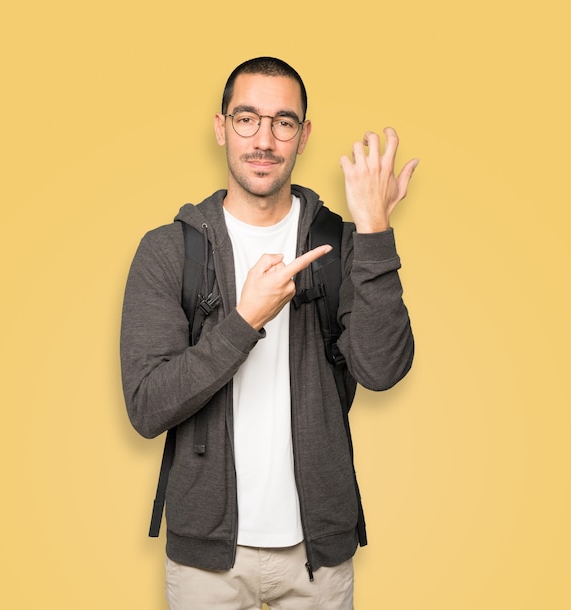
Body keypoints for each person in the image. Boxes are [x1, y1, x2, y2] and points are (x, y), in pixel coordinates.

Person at [120, 56, 418, 609]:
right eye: (246, 119)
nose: (264, 139)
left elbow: (382, 370)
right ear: (220, 127)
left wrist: (375, 231)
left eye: (283, 122)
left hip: (319, 559)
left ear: (303, 136)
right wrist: (243, 321)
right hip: (206, 561)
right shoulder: (167, 251)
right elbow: (146, 407)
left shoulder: (343, 246)